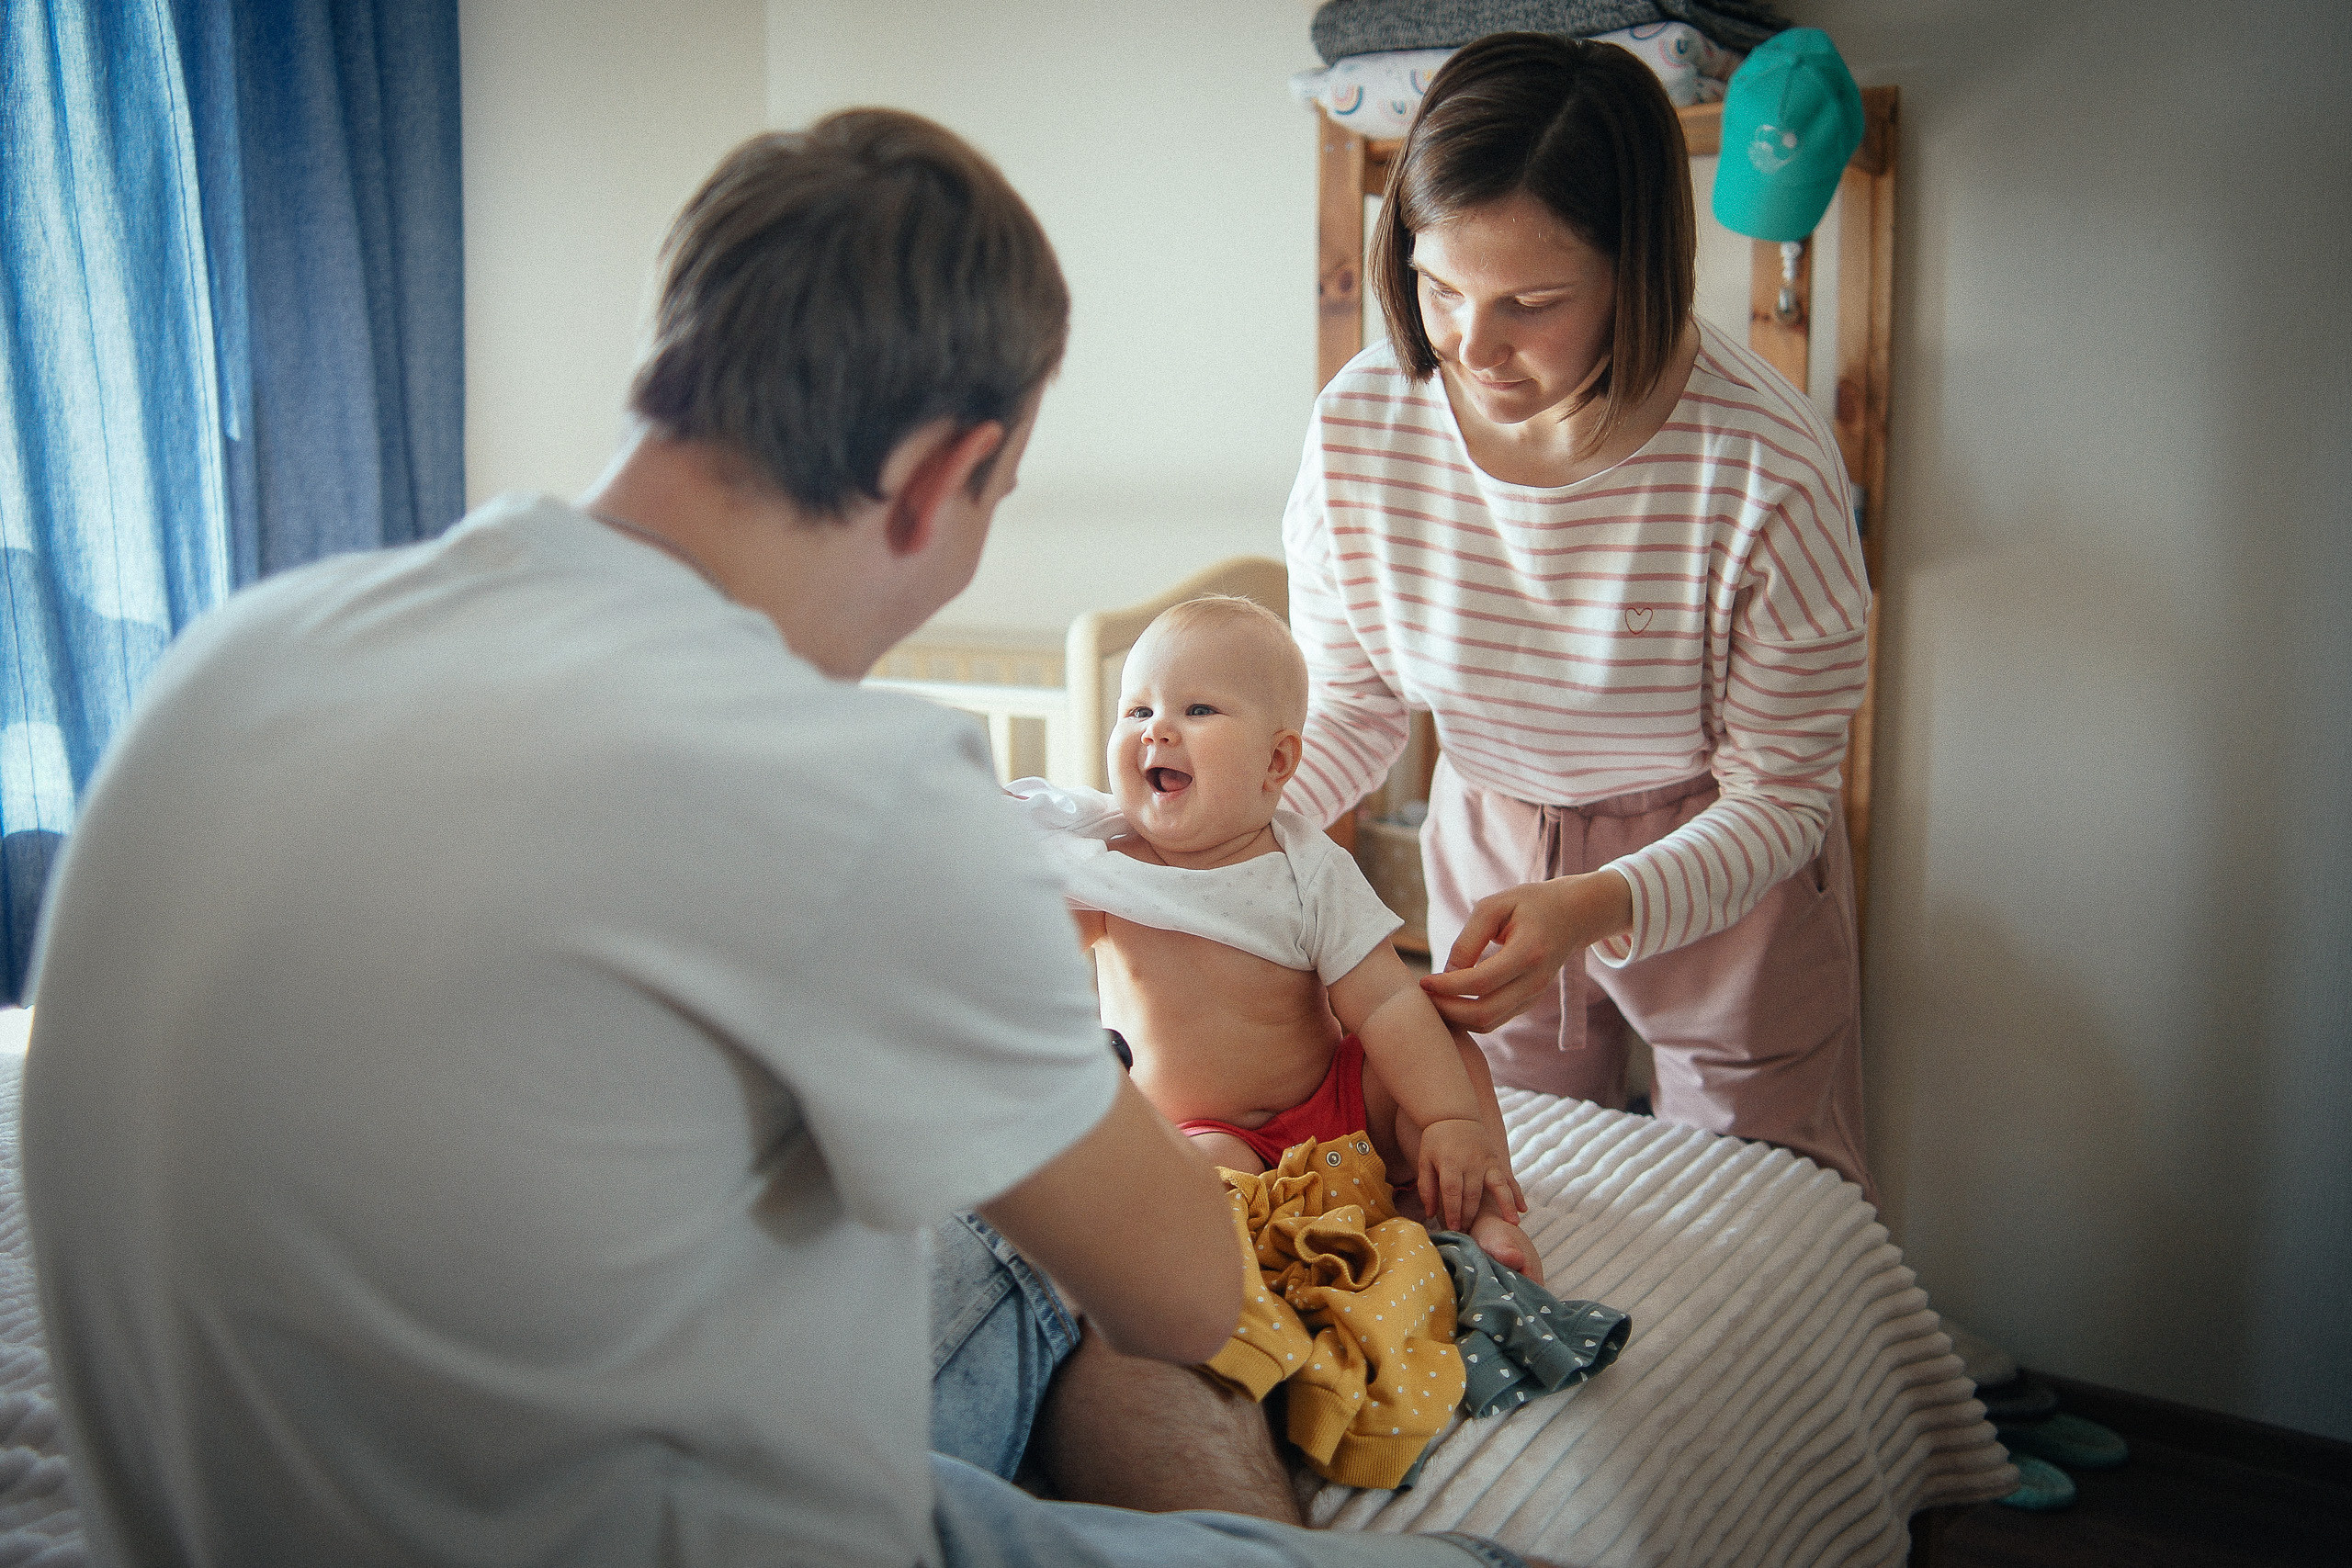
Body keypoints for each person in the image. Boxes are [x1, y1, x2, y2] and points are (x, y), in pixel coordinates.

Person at [22, 111, 1547, 1568]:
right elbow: (1185, 1291)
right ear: (946, 475)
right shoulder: (854, 788)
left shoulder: (232, 655)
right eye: (999, 499)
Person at [1280, 33, 1875, 1197]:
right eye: (1438, 286)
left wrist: (1601, 901)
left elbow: (1783, 793)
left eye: (1532, 303)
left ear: (1634, 272)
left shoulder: (1763, 460)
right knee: (1517, 1177)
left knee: (1760, 1202)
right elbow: (1351, 707)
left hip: (1722, 855)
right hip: (1493, 832)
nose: (1472, 345)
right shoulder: (1361, 427)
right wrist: (1212, 847)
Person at [1012, 595, 1538, 1277]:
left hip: (1338, 1109)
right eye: (1137, 711)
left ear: (1277, 760)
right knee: (1194, 1188)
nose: (1157, 730)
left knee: (1450, 1054)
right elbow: (1025, 964)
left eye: (1197, 710)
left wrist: (1446, 1118)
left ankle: (1484, 1209)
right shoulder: (1107, 871)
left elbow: (1386, 1003)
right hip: (1204, 1132)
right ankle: (1245, 1256)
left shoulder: (1308, 870)